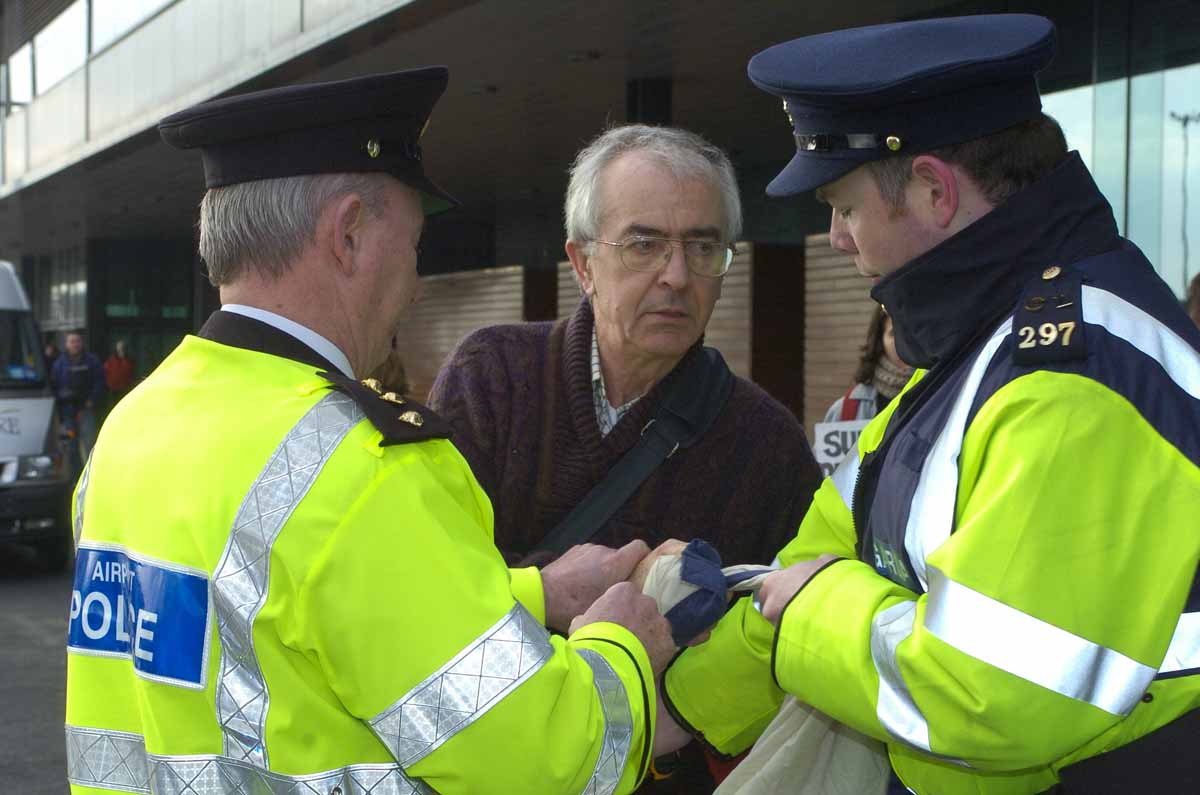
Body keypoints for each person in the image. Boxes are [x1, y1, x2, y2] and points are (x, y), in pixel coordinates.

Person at [65, 68, 677, 795]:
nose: (415, 283)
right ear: (349, 233)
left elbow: (260, 621)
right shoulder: (356, 466)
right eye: (414, 244)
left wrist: (534, 592)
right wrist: (621, 644)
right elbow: (548, 760)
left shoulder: (132, 428)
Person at [655, 15, 1200, 795]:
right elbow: (814, 559)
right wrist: (673, 706)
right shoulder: (974, 355)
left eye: (844, 207)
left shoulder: (1072, 380)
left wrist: (812, 612)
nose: (836, 238)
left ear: (935, 191)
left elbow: (987, 692)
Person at [428, 124, 823, 789]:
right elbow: (423, 593)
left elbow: (785, 650)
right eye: (644, 244)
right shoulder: (491, 377)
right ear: (582, 263)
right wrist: (546, 591)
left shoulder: (768, 443)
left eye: (703, 246)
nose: (677, 276)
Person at [822, 304, 913, 422]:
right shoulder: (844, 411)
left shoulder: (937, 400)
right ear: (880, 340)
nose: (904, 342)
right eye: (894, 334)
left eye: (912, 332)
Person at [51, 330, 104, 466]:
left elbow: (99, 382)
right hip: (67, 412)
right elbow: (54, 386)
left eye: (78, 341)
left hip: (86, 410)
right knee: (70, 446)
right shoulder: (58, 364)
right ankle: (73, 475)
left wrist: (92, 400)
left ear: (82, 343)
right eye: (72, 341)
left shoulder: (92, 361)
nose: (75, 344)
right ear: (66, 344)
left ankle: (90, 472)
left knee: (90, 444)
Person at [103, 339, 136, 408]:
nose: (120, 349)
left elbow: (131, 374)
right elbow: (106, 372)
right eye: (118, 347)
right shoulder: (111, 360)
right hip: (113, 390)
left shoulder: (129, 360)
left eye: (122, 347)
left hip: (125, 389)